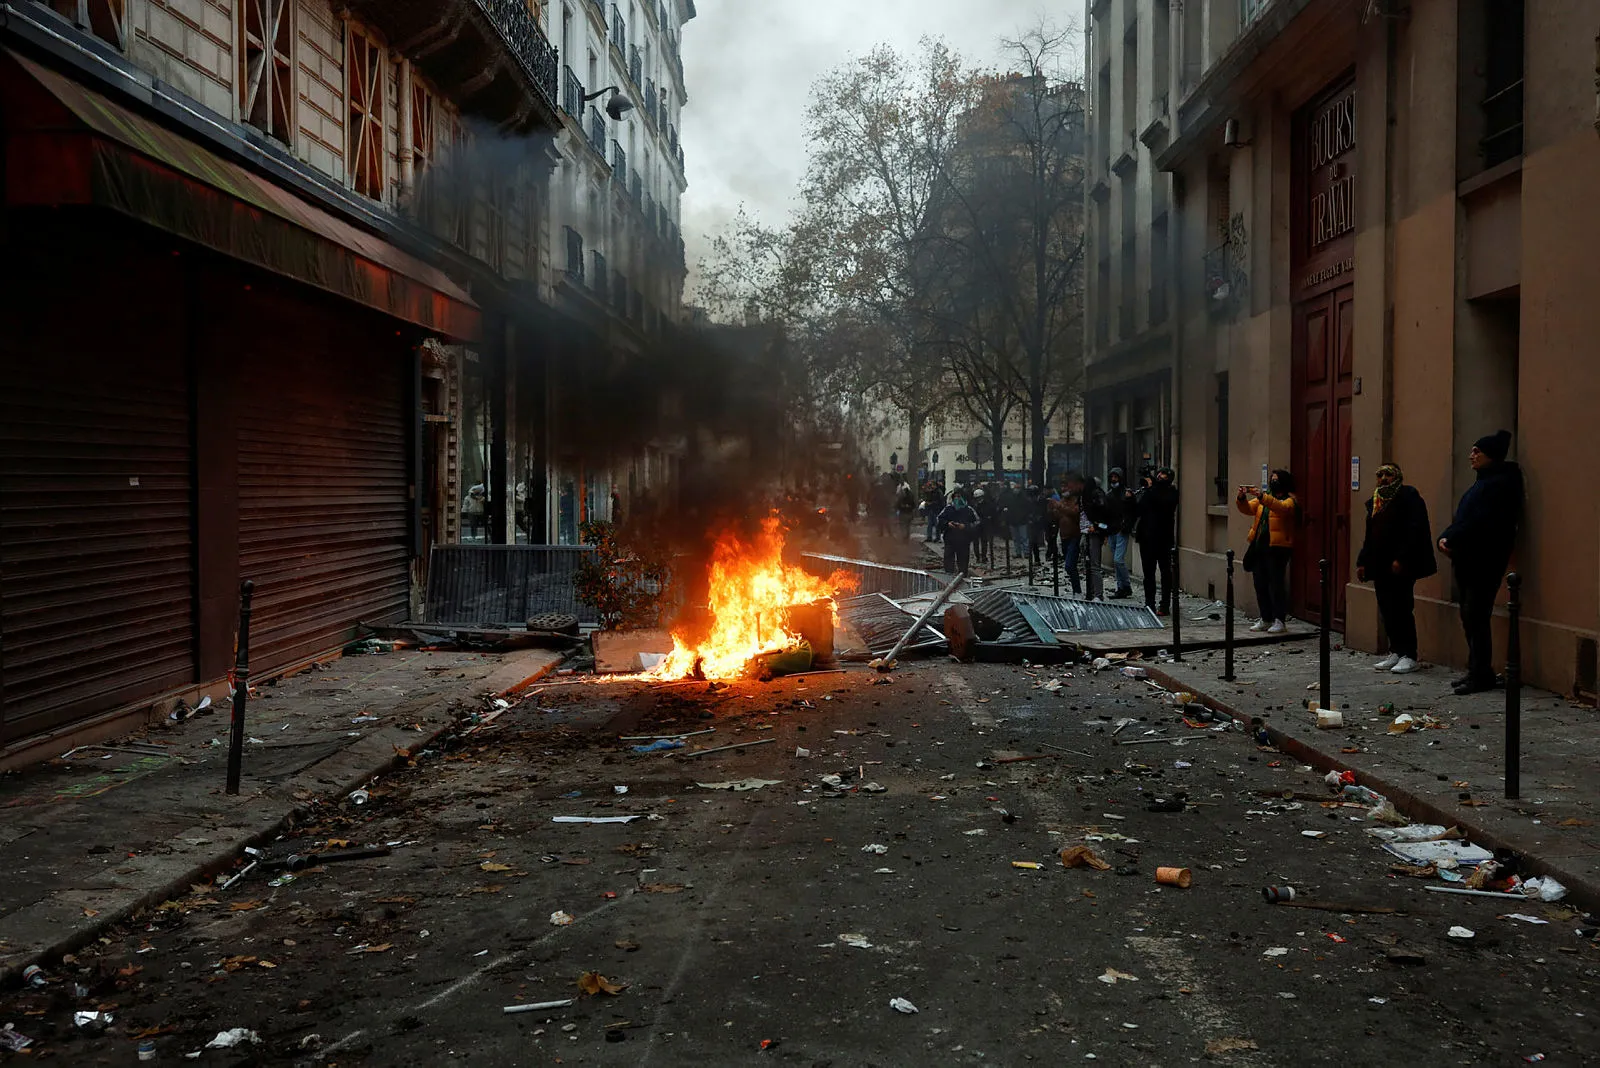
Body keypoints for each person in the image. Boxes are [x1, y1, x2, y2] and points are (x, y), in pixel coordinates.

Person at [1438, 429, 1524, 695]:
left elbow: (1480, 523)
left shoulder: (1500, 485)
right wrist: (1447, 537)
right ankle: (1477, 670)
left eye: (1477, 452)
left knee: (1476, 616)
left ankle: (1481, 675)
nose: (1471, 456)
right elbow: (1465, 519)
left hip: (1483, 561)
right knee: (1469, 616)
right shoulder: (1482, 482)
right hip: (1467, 559)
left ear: (1491, 457)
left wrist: (1449, 538)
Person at [1356, 463, 1436, 675]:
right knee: (1386, 608)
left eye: (1388, 475)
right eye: (1380, 474)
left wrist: (1402, 558)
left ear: (1397, 477)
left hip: (1400, 565)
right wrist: (1362, 562)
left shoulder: (1408, 497)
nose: (1383, 478)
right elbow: (1369, 536)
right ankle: (1396, 650)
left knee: (1401, 608)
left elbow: (1414, 530)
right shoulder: (1376, 502)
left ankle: (1409, 654)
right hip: (1379, 564)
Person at [1237, 470, 1299, 633]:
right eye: (1272, 479)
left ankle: (1280, 620)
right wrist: (1242, 498)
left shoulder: (1289, 501)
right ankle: (1265, 618)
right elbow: (1247, 509)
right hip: (1260, 546)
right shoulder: (1264, 500)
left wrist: (1262, 496)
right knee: (1260, 583)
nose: (1273, 482)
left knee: (1276, 584)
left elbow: (1280, 508)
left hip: (1278, 548)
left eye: (1276, 480)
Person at [1135, 467, 1179, 615]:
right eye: (1159, 473)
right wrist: (1130, 500)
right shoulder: (1150, 491)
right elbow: (1139, 509)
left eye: (1164, 474)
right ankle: (1149, 604)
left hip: (1163, 539)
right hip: (1147, 538)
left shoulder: (1172, 492)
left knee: (1166, 573)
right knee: (1149, 574)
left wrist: (1150, 488)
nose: (1160, 476)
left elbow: (1162, 503)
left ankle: (1165, 605)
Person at [1104, 468, 1136, 598]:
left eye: (1116, 477)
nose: (1113, 480)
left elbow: (1133, 511)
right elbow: (1106, 514)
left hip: (1121, 531)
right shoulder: (1109, 495)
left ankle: (1125, 586)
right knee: (1117, 561)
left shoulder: (1127, 494)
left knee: (1118, 560)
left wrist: (1127, 526)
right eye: (1112, 477)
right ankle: (1121, 587)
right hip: (1112, 531)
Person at [1078, 474, 1111, 600]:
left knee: (1094, 566)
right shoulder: (1083, 497)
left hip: (1095, 533)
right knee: (1088, 564)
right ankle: (1090, 592)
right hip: (1085, 532)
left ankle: (1098, 594)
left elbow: (1104, 520)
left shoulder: (1097, 496)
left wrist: (1098, 528)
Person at [936, 490, 981, 575]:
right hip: (950, 539)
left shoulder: (969, 510)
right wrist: (947, 524)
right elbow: (939, 519)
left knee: (963, 560)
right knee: (948, 558)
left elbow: (977, 522)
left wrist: (965, 526)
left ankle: (962, 575)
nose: (957, 499)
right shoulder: (948, 508)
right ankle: (948, 575)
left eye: (959, 497)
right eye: (955, 497)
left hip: (964, 539)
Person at [1000, 481, 1028, 561]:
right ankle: (1018, 552)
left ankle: (1026, 552)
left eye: (1018, 488)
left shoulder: (1023, 498)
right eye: (1015, 488)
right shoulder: (1010, 498)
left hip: (1022, 521)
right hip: (1013, 521)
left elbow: (1027, 509)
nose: (1016, 490)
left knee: (1023, 538)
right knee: (1016, 538)